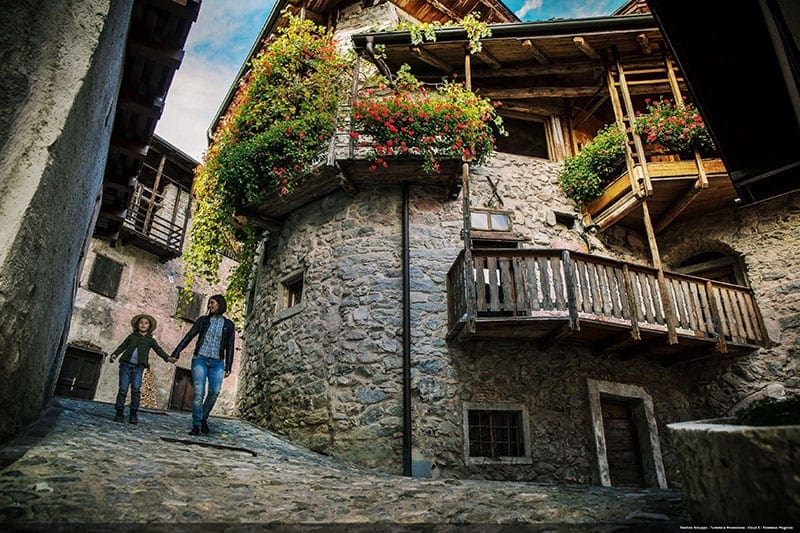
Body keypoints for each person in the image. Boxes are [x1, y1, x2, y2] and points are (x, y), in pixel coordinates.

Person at [172, 294, 235, 435]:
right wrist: (177, 352)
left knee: (214, 391)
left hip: (217, 362)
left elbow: (230, 346)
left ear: (220, 304)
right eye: (209, 303)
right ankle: (196, 425)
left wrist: (229, 366)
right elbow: (189, 336)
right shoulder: (203, 321)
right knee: (199, 393)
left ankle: (203, 417)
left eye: (212, 303)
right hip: (200, 359)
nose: (209, 306)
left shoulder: (229, 325)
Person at [110, 313, 173, 424]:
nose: (143, 325)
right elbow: (122, 346)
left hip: (138, 367)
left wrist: (168, 358)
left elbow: (158, 350)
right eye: (141, 323)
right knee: (123, 389)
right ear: (137, 325)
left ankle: (133, 413)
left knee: (136, 389)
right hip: (125, 365)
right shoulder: (131, 337)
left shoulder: (150, 340)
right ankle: (119, 412)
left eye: (146, 323)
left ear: (149, 326)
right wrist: (115, 354)